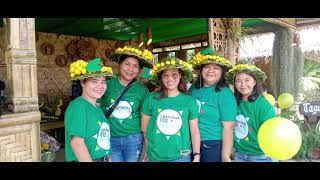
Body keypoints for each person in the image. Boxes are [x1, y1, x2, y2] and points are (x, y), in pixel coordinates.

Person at [141, 56, 201, 162]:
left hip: (181, 156)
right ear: (161, 78)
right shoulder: (151, 99)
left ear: (180, 75)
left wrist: (196, 155)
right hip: (155, 156)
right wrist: (147, 149)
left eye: (174, 75)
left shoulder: (189, 101)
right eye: (165, 75)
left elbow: (195, 130)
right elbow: (145, 129)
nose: (170, 79)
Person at [99, 46, 153, 162]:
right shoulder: (106, 85)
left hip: (133, 138)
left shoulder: (142, 90)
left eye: (135, 66)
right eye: (127, 64)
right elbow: (96, 107)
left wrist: (148, 145)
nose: (130, 69)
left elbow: (145, 118)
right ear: (118, 65)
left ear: (139, 70)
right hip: (110, 137)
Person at [188, 47, 237, 162]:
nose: (211, 71)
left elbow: (228, 127)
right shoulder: (193, 89)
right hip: (190, 141)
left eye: (216, 68)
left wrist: (225, 155)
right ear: (200, 70)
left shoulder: (224, 94)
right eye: (207, 67)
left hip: (212, 144)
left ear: (222, 72)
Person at [225, 60, 277, 162]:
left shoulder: (264, 106)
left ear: (254, 82)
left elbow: (271, 134)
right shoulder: (234, 102)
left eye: (247, 80)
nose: (242, 84)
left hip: (260, 155)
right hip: (240, 154)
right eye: (238, 81)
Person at [65, 57, 114, 162]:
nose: (100, 86)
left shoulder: (96, 107)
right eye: (94, 81)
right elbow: (77, 143)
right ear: (83, 82)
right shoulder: (78, 106)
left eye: (103, 82)